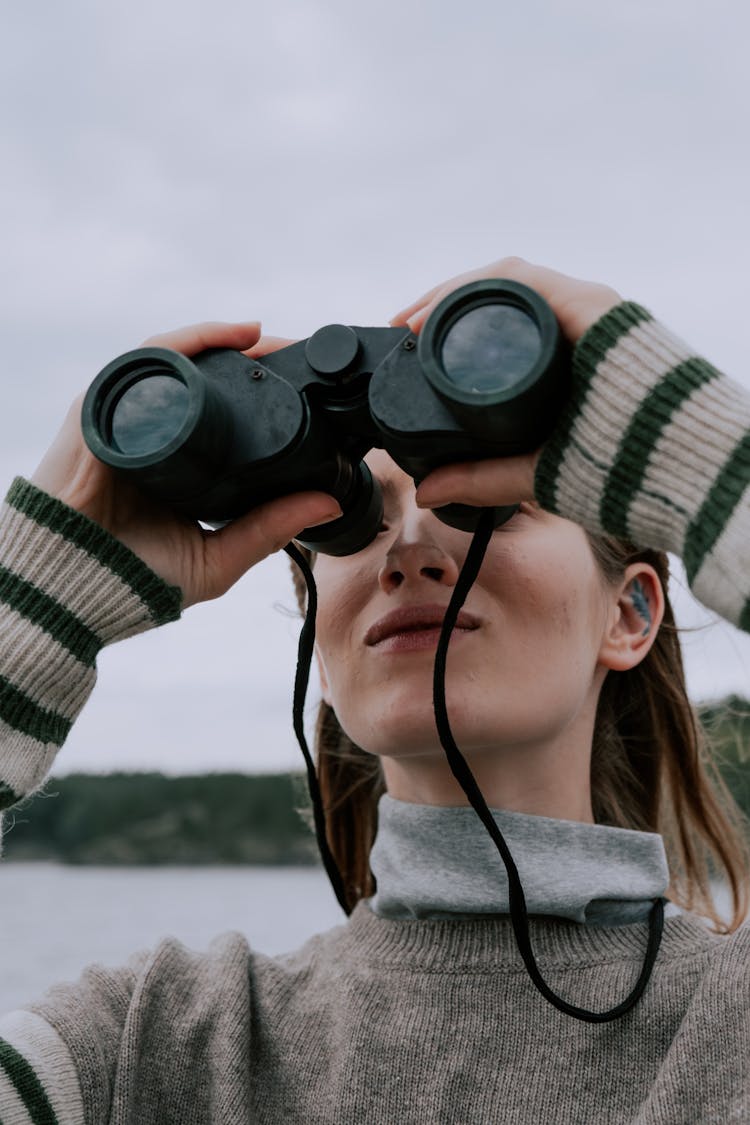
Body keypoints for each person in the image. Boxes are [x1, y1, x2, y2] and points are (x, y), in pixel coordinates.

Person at [0, 257, 748, 1123]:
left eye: (486, 501)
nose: (408, 550)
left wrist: (708, 462)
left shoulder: (725, 1028)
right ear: (318, 624)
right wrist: (32, 612)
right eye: (349, 520)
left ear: (630, 612)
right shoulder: (152, 1049)